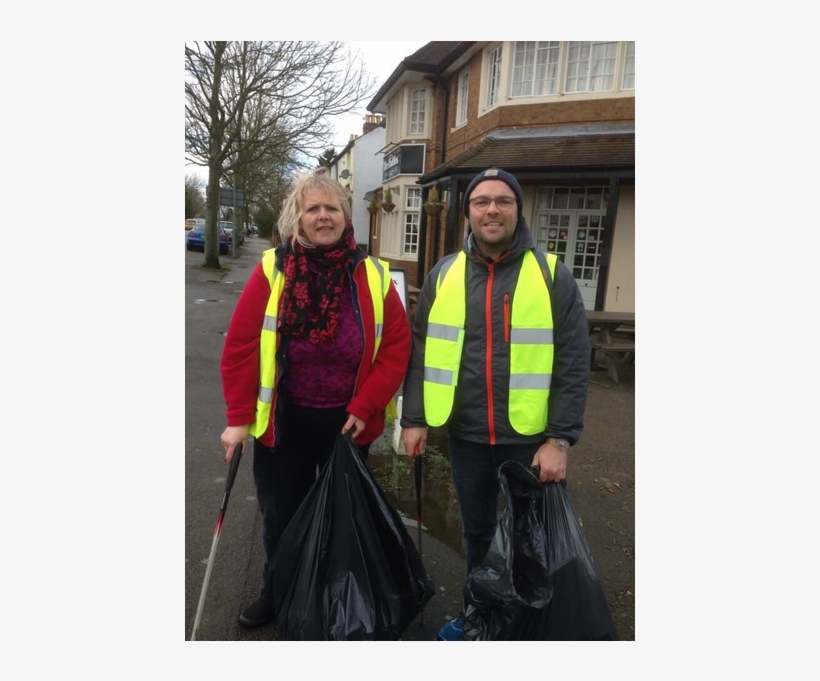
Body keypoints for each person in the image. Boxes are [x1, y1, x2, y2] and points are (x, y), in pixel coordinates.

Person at [400, 167, 590, 640]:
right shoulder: (444, 273)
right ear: (468, 212)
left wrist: (559, 440)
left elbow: (572, 361)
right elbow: (422, 352)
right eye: (481, 201)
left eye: (503, 201)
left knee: (536, 541)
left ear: (517, 209)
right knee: (479, 533)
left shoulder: (550, 274)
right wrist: (414, 418)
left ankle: (529, 625)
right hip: (465, 434)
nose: (492, 209)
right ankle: (480, 618)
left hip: (530, 439)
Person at [220, 170, 411, 628]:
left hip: (349, 423)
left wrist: (365, 407)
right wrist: (238, 418)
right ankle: (279, 590)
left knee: (346, 515)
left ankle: (337, 593)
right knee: (281, 514)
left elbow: (396, 349)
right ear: (298, 218)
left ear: (346, 217)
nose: (323, 216)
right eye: (313, 209)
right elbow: (242, 347)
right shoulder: (273, 270)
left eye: (332, 208)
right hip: (284, 421)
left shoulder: (373, 275)